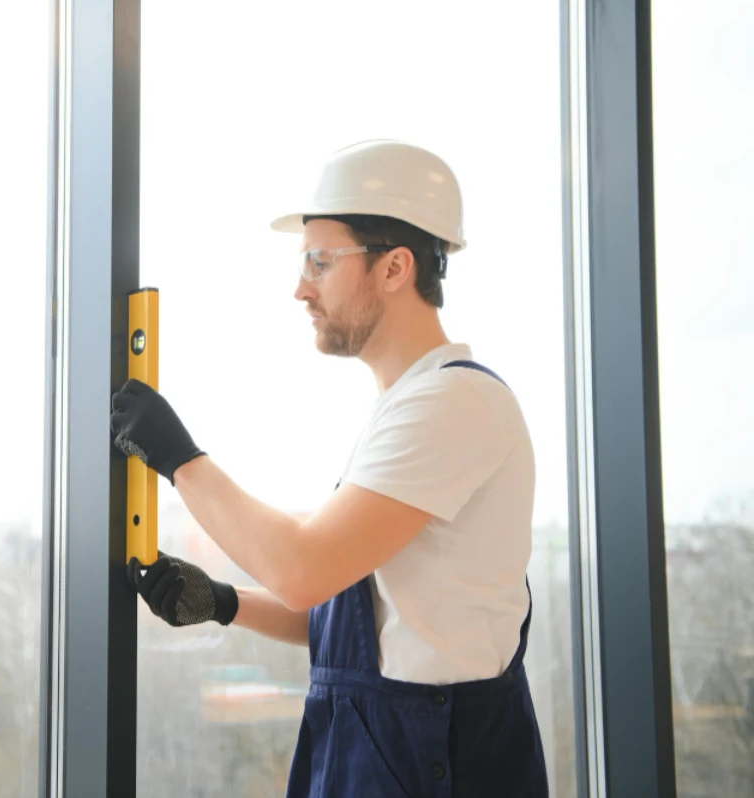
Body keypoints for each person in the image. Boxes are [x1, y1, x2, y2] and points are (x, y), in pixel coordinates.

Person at [110, 140, 548, 797]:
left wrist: (179, 459)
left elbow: (304, 570)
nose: (300, 287)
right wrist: (226, 603)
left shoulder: (455, 403)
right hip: (384, 740)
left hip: (435, 755)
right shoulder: (408, 407)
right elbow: (357, 620)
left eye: (320, 261)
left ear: (394, 267)